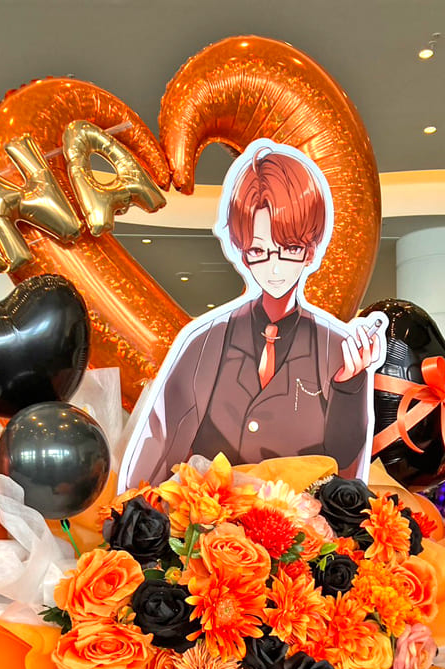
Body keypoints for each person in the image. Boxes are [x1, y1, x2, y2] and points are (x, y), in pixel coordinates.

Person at [119, 142, 386, 491]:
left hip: (301, 525)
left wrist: (349, 387)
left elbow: (344, 470)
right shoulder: (204, 343)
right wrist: (131, 512)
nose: (274, 268)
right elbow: (159, 444)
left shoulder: (336, 348)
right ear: (242, 252)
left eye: (290, 249)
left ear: (310, 250)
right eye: (259, 250)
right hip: (201, 522)